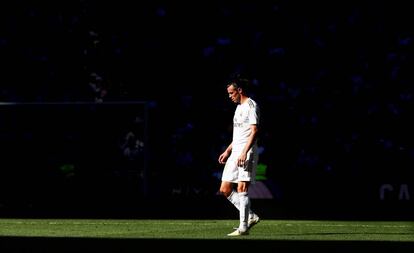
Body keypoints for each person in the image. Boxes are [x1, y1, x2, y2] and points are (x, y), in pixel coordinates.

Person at [218, 76, 261, 236]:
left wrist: (244, 151)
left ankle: (243, 227)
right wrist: (228, 150)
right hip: (236, 151)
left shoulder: (251, 105)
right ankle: (250, 216)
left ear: (239, 90)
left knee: (242, 188)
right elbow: (239, 134)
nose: (230, 96)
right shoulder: (238, 107)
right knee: (225, 189)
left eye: (231, 93)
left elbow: (254, 131)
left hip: (246, 152)